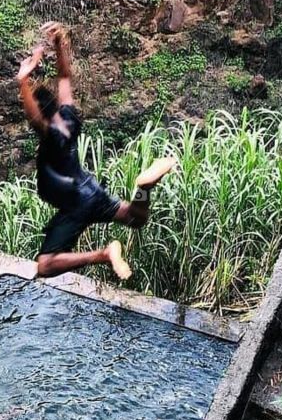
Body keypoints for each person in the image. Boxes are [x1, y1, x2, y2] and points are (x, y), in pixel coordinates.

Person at [18, 22, 176, 279]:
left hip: (75, 202)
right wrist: (59, 46)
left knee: (45, 265)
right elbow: (65, 78)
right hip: (91, 190)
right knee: (136, 218)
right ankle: (143, 188)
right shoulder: (67, 118)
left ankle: (103, 254)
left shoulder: (50, 137)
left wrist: (23, 80)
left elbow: (35, 119)